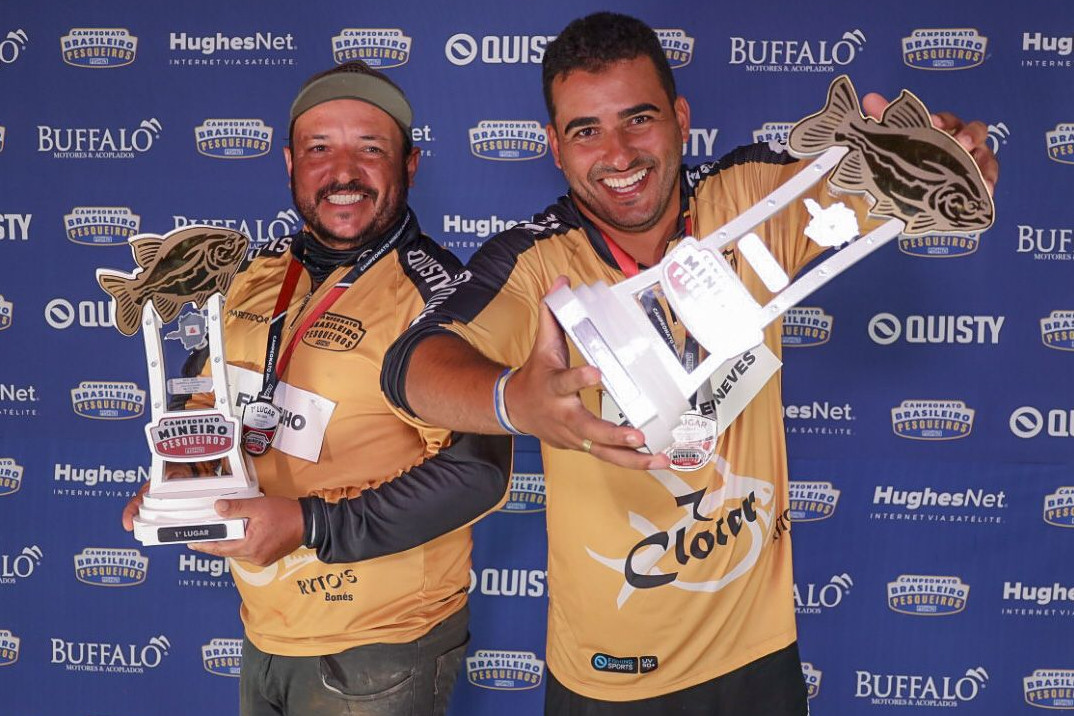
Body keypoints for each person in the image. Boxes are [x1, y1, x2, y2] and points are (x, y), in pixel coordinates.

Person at [380, 12, 998, 715]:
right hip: (611, 674)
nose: (617, 154)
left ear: (679, 117)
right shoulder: (534, 260)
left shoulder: (751, 198)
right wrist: (512, 401)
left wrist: (952, 153)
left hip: (759, 653)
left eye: (638, 120)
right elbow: (413, 367)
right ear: (554, 146)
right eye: (586, 131)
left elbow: (894, 176)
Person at [122, 60, 511, 716]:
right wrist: (178, 482)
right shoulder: (250, 276)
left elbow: (478, 472)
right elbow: (208, 398)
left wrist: (308, 524)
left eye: (371, 148)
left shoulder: (443, 298)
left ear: (410, 164)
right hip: (266, 627)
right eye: (319, 148)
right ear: (289, 162)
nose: (343, 172)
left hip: (378, 649)